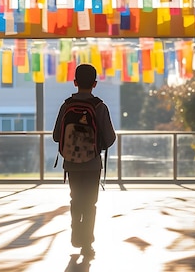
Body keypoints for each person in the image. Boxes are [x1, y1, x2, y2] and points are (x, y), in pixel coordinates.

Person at [53, 64, 116, 259]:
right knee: (90, 202)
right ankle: (87, 242)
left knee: (75, 198)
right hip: (92, 164)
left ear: (75, 82)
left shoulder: (66, 106)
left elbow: (56, 136)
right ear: (95, 84)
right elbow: (110, 138)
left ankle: (75, 231)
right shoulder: (99, 107)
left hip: (71, 162)